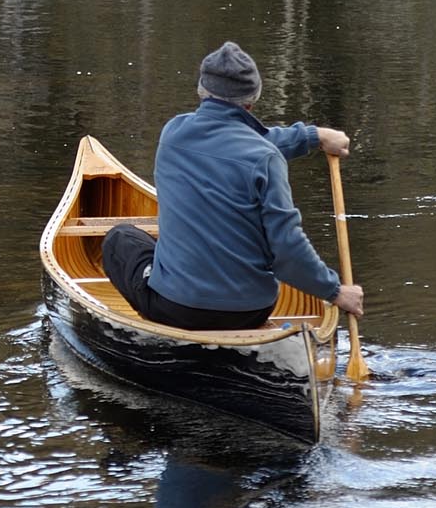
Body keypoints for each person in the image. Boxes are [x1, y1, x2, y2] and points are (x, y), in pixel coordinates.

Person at [101, 41, 367, 331]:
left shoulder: (173, 135)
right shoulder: (266, 158)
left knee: (120, 239)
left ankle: (154, 327)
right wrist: (336, 292)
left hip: (177, 308)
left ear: (201, 91)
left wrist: (313, 136)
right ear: (252, 101)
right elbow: (287, 249)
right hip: (251, 311)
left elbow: (241, 142)